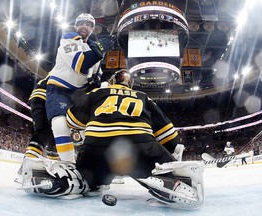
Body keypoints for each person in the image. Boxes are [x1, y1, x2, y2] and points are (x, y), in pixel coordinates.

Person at [21, 70, 204, 210]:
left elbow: (71, 121)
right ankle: (171, 180)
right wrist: (172, 156)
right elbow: (167, 133)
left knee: (88, 180)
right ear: (130, 85)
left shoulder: (96, 94)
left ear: (112, 81)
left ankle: (65, 180)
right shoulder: (142, 97)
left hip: (95, 149)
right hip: (139, 147)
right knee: (159, 168)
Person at [45, 13, 114, 163]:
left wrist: (104, 85)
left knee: (90, 129)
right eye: (81, 23)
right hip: (59, 89)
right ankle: (68, 164)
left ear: (92, 29)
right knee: (60, 124)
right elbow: (80, 63)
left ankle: (90, 165)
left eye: (88, 24)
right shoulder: (68, 38)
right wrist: (100, 50)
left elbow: (96, 77)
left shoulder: (93, 48)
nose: (84, 26)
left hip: (80, 94)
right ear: (76, 26)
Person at [14, 74, 59, 183]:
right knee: (45, 131)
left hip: (40, 96)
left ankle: (55, 169)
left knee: (53, 135)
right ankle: (27, 168)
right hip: (47, 97)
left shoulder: (60, 68)